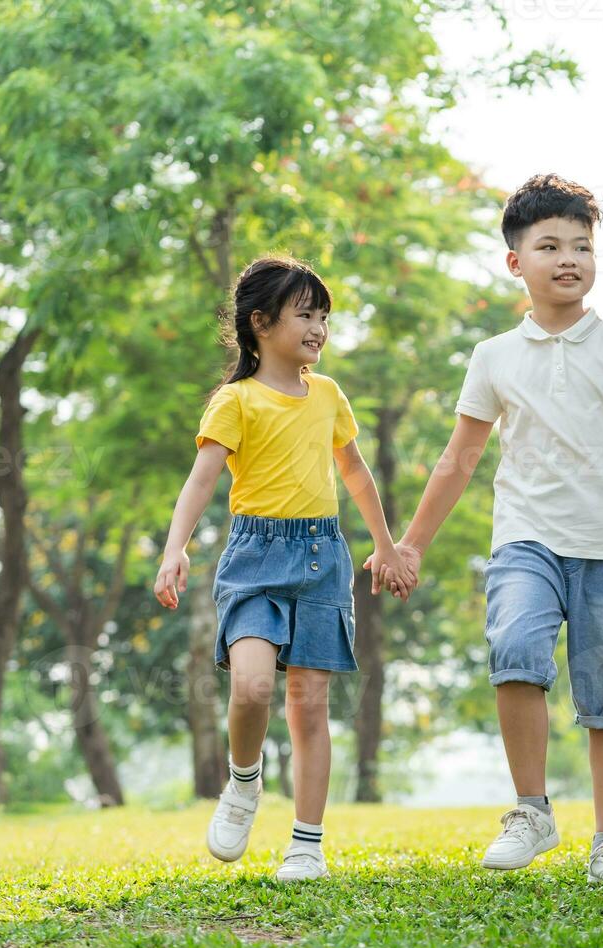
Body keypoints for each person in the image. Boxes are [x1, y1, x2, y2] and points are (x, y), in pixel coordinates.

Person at [382, 174, 603, 885]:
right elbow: (460, 457)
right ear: (515, 261)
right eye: (550, 245)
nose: (570, 259)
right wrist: (412, 542)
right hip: (526, 537)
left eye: (582, 246)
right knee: (517, 647)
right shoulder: (494, 355)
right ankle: (531, 811)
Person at [154, 256, 412, 882]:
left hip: (323, 558)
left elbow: (354, 470)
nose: (319, 328)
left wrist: (387, 545)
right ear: (261, 322)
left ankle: (306, 844)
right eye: (306, 315)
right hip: (254, 558)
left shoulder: (327, 395)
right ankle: (243, 784)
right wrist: (175, 548)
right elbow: (202, 478)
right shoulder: (235, 401)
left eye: (324, 317)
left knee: (310, 707)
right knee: (251, 687)